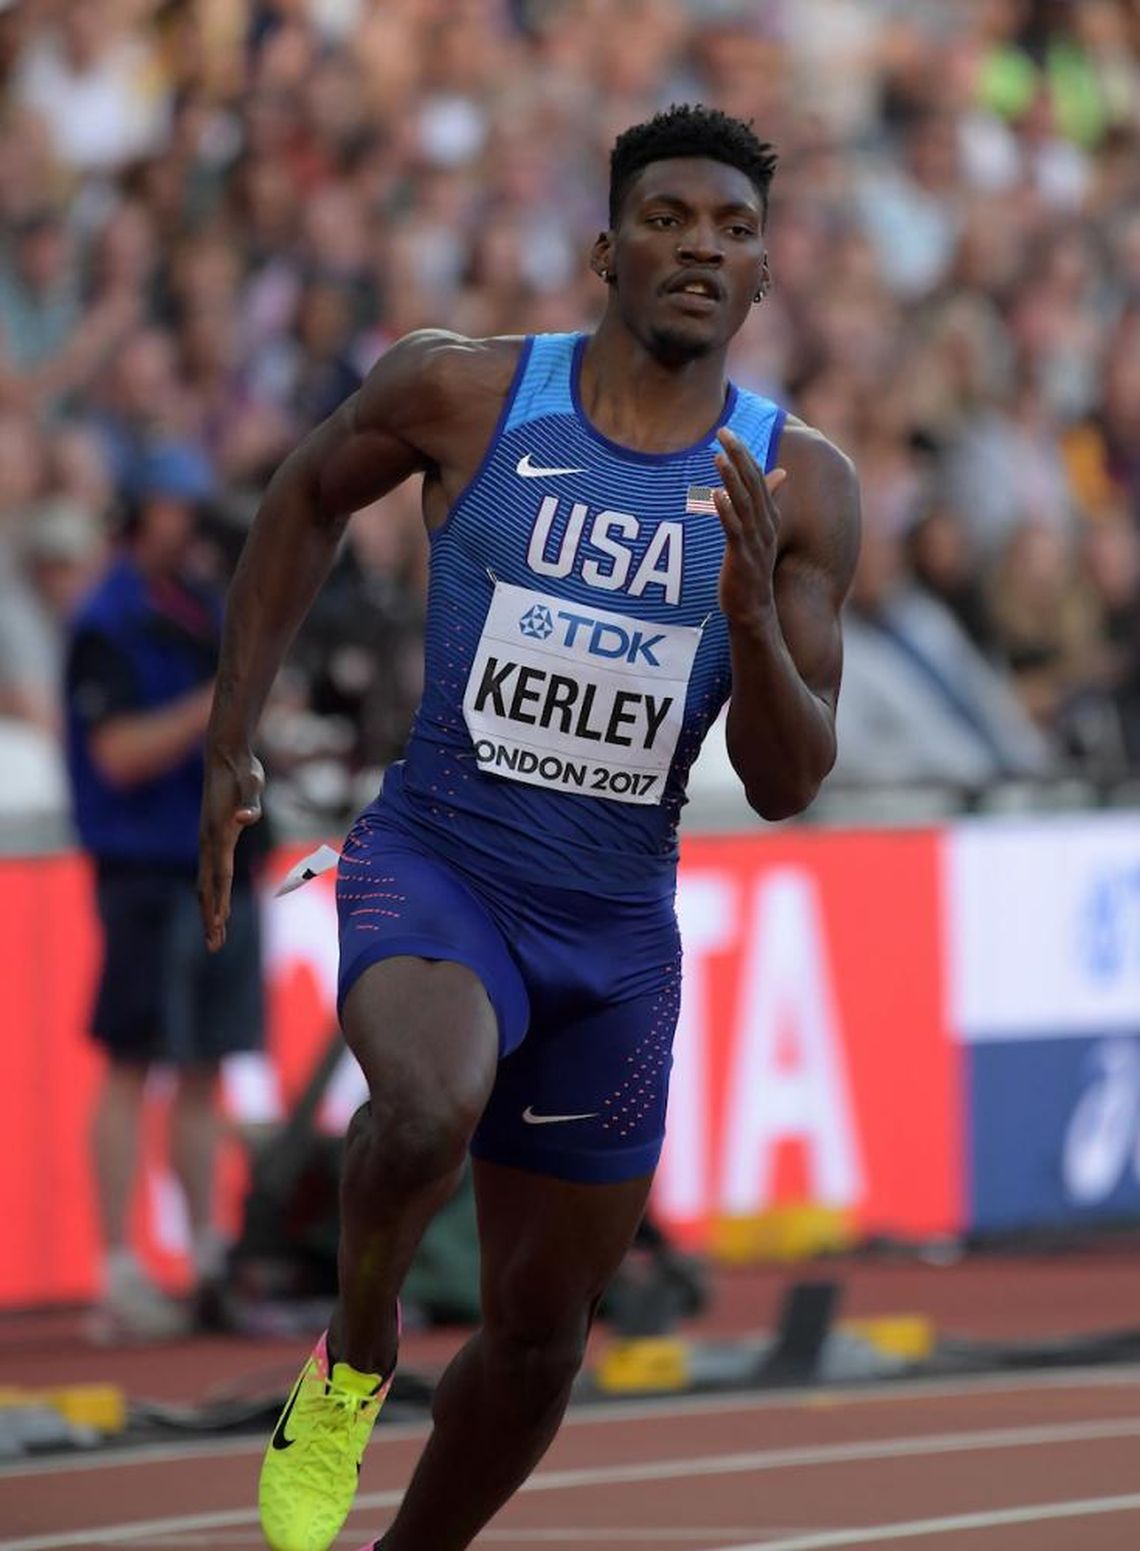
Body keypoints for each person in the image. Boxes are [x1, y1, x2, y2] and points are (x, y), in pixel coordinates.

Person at [198, 104, 860, 1551]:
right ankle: (355, 1354)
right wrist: (230, 729)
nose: (703, 246)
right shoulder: (468, 393)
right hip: (441, 860)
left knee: (544, 1337)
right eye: (673, 218)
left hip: (614, 936)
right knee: (427, 1107)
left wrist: (750, 618)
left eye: (736, 230)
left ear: (762, 277)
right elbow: (305, 497)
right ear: (604, 249)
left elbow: (791, 772)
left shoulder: (801, 485)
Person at [65, 442, 265, 1342]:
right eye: (172, 508)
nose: (189, 525)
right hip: (148, 868)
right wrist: (219, 704)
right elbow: (117, 752)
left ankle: (209, 1254)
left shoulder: (200, 607)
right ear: (136, 517)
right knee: (131, 1059)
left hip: (215, 857)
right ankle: (117, 1264)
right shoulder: (106, 619)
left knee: (205, 1065)